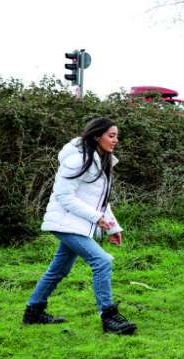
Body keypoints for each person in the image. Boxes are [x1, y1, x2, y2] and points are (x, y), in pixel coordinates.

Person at [22, 117, 136, 335]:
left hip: (78, 224)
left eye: (116, 136)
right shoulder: (76, 160)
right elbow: (64, 196)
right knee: (102, 261)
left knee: (59, 268)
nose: (116, 140)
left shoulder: (102, 160)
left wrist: (113, 227)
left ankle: (34, 311)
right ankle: (109, 317)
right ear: (96, 136)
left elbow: (100, 200)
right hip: (64, 222)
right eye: (111, 136)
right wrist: (97, 218)